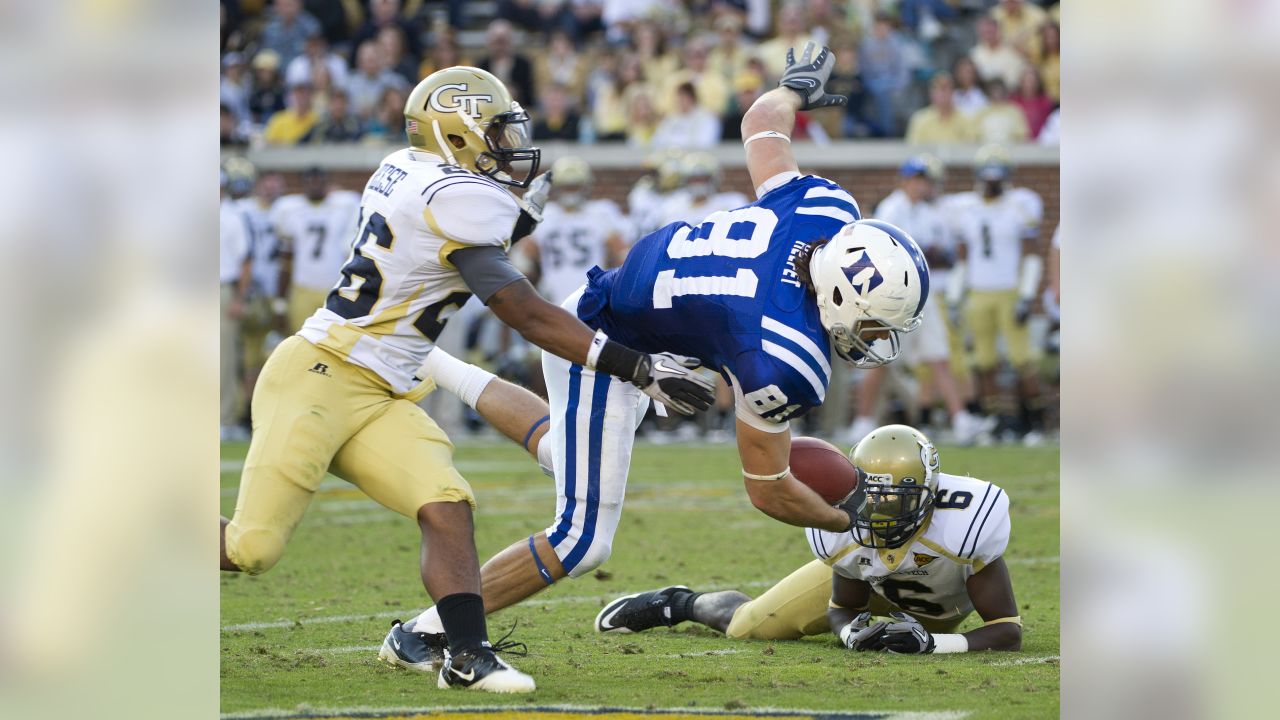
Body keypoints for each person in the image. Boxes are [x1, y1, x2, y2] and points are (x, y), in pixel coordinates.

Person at [379, 43, 932, 674]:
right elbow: (768, 487)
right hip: (606, 343)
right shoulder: (785, 355)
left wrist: (793, 90)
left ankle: (430, 363)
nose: (873, 337)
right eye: (871, 320)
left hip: (622, 310)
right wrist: (849, 517)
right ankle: (423, 633)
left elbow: (762, 124)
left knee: (570, 452)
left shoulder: (826, 210)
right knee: (584, 538)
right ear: (839, 291)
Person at [220, 65, 713, 694]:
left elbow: (446, 254)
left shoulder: (411, 169)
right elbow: (523, 311)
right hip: (321, 374)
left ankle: (466, 656)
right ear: (457, 134)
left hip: (378, 385)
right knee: (252, 548)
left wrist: (517, 221)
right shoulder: (457, 197)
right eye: (498, 131)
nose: (510, 145)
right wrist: (638, 368)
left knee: (447, 505)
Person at [593, 424, 1022, 654]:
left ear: (930, 493)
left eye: (898, 499)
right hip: (874, 585)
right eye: (874, 498)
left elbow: (1006, 630)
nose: (882, 512)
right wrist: (849, 634)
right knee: (748, 628)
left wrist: (935, 644)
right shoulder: (847, 530)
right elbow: (844, 608)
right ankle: (679, 602)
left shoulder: (966, 523)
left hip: (932, 610)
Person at [845, 157, 985, 446]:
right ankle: (862, 421)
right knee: (879, 360)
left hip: (925, 293)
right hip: (892, 295)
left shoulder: (928, 213)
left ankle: (960, 420)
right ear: (905, 180)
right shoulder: (891, 208)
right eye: (916, 179)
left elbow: (942, 254)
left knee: (939, 357)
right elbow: (886, 253)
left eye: (925, 180)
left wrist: (938, 255)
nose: (921, 185)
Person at [944, 144, 1046, 445]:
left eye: (997, 177)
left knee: (1021, 359)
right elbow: (962, 259)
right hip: (978, 292)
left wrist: (1027, 294)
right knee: (983, 361)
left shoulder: (1020, 205)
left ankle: (1035, 423)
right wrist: (954, 296)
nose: (992, 183)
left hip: (1009, 290)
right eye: (987, 177)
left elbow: (1031, 256)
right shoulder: (966, 210)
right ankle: (996, 421)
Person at [522, 156, 631, 306]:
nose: (570, 191)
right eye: (566, 186)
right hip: (553, 293)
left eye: (575, 186)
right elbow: (526, 258)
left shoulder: (601, 212)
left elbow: (621, 256)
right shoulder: (546, 214)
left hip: (592, 293)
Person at [272, 167, 361, 332]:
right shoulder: (289, 209)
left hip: (334, 287)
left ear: (328, 184)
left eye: (319, 181)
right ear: (302, 185)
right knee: (300, 337)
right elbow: (286, 259)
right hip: (302, 287)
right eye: (310, 182)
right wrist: (280, 303)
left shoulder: (344, 204)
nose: (315, 185)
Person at [220, 162, 254, 442]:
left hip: (222, 287)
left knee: (225, 357)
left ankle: (226, 417)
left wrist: (240, 297)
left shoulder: (232, 216)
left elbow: (245, 260)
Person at [904, 73, 976, 145]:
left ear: (953, 92)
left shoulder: (966, 120)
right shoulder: (919, 119)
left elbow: (970, 149)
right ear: (931, 93)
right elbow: (912, 150)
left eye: (946, 88)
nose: (942, 93)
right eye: (937, 89)